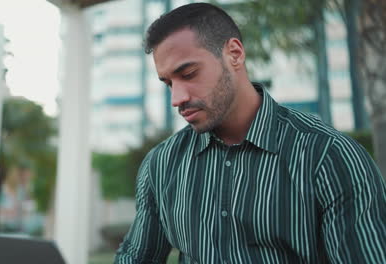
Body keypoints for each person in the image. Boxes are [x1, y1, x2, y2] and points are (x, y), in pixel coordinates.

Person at [114, 3, 386, 263]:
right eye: (168, 83)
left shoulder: (328, 156)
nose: (177, 97)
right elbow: (136, 257)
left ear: (234, 53)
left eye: (189, 73)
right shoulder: (161, 164)